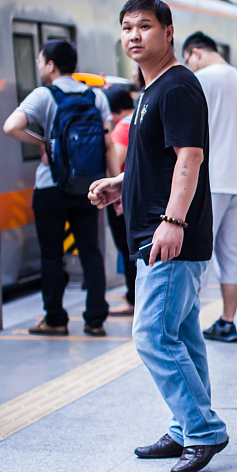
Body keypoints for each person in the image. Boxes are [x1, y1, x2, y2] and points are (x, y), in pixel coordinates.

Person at [88, 0, 228, 472]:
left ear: (169, 33)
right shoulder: (150, 90)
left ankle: (203, 429)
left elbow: (190, 158)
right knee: (184, 337)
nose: (133, 35)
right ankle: (185, 426)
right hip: (161, 231)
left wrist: (173, 221)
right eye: (126, 27)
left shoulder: (177, 87)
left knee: (151, 335)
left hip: (170, 236)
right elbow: (160, 158)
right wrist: (119, 183)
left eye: (144, 26)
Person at [3, 39, 111, 337]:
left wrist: (42, 143)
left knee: (51, 254)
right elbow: (108, 143)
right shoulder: (95, 97)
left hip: (51, 186)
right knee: (91, 251)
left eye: (40, 62)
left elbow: (10, 127)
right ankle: (95, 319)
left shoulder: (44, 95)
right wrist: (113, 184)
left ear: (50, 65)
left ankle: (55, 318)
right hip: (88, 186)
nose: (39, 68)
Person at [182, 32, 237, 344]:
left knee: (198, 256)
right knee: (228, 253)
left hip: (210, 179)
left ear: (194, 53)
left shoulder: (202, 79)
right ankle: (228, 322)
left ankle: (188, 325)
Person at [103, 85, 137, 316]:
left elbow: (116, 162)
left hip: (123, 198)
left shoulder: (121, 128)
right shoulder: (138, 120)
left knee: (127, 250)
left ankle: (133, 299)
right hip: (136, 196)